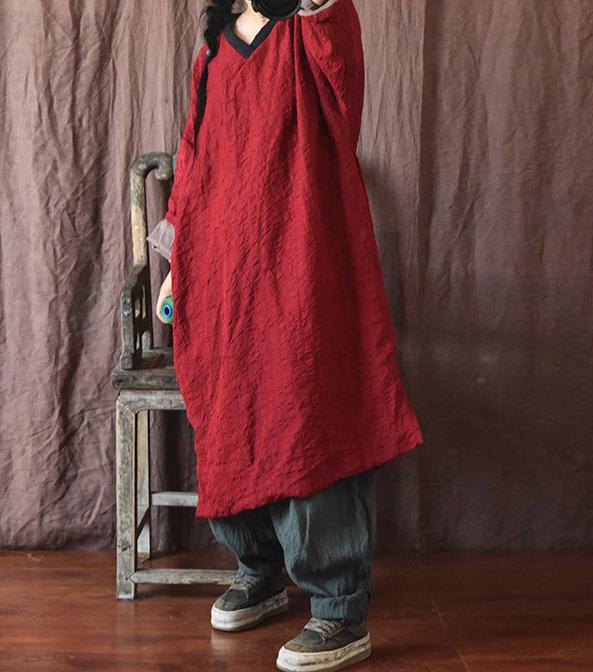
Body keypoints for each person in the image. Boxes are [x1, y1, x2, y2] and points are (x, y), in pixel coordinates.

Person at [147, 1, 423, 670]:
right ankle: (260, 569)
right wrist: (174, 264)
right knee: (229, 417)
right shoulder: (213, 51)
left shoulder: (315, 28)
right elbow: (193, 158)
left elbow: (343, 83)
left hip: (301, 261)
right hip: (223, 274)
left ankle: (338, 606)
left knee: (307, 415)